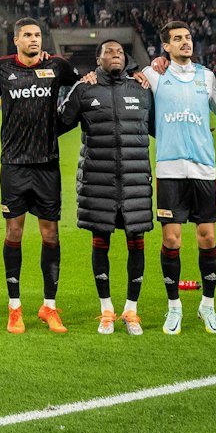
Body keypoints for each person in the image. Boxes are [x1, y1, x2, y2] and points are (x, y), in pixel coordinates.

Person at [0, 18, 79, 334]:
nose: (34, 39)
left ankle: (49, 307)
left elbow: (84, 85)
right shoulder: (1, 68)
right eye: (28, 35)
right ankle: (15, 307)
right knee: (14, 234)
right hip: (14, 165)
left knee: (50, 235)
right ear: (16, 40)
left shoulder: (57, 67)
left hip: (47, 165)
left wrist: (61, 125)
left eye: (37, 35)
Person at [60, 40, 154, 335]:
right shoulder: (85, 89)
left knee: (135, 242)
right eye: (108, 52)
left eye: (120, 52)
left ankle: (131, 310)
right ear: (98, 60)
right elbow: (59, 122)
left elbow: (158, 126)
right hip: (97, 182)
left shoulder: (141, 89)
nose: (115, 55)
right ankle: (106, 310)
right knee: (101, 242)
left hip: (135, 180)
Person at [142, 21, 216, 336]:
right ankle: (174, 306)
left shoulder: (207, 77)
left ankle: (208, 306)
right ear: (166, 46)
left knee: (208, 238)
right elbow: (126, 79)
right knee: (171, 239)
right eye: (177, 39)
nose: (185, 42)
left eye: (188, 37)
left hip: (204, 168)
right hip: (169, 170)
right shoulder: (155, 75)